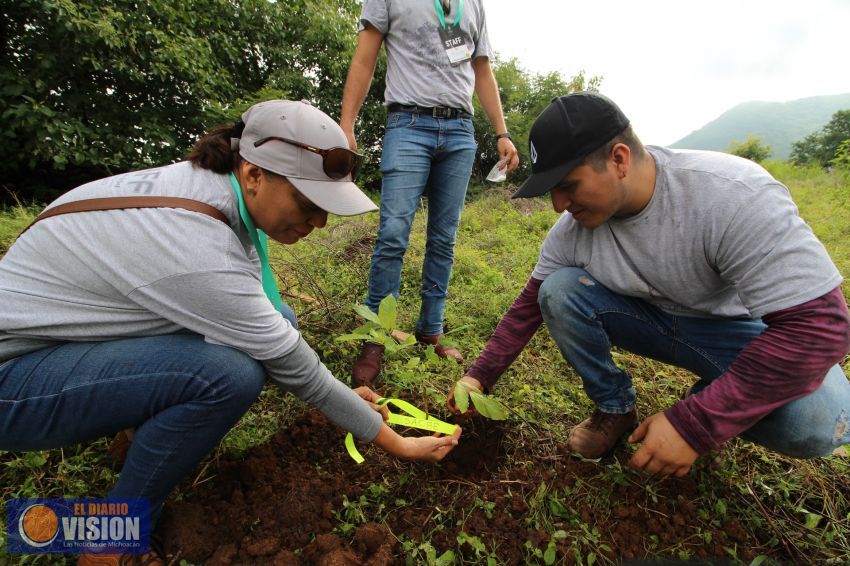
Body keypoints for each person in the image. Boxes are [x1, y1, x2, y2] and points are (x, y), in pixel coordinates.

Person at [0, 100, 460, 566]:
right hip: (13, 378)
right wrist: (394, 441)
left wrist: (339, 392)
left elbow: (272, 321)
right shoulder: (199, 242)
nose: (319, 223)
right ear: (254, 174)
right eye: (307, 203)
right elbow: (293, 367)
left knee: (280, 317)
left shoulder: (212, 187)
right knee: (228, 375)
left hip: (64, 340)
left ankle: (138, 435)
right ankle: (108, 542)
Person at [447, 92, 850, 477]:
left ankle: (718, 394)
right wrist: (476, 378)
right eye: (552, 192)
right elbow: (528, 308)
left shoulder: (730, 195)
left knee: (819, 422)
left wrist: (698, 422)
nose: (558, 205)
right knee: (558, 288)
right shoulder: (571, 231)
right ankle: (615, 408)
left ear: (619, 159)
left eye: (568, 186)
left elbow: (822, 328)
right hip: (648, 323)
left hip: (735, 334)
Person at [340, 0, 520, 387]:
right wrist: (347, 124)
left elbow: (482, 68)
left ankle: (430, 329)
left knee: (444, 237)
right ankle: (376, 336)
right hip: (408, 124)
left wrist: (502, 132)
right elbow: (364, 58)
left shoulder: (473, 4)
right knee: (392, 232)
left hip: (460, 131)